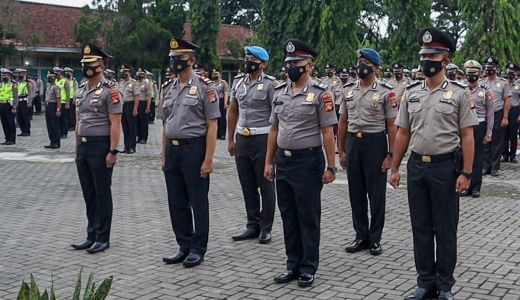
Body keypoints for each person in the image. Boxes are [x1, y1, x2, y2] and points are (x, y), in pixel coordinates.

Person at [389, 27, 477, 300]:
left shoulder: (460, 94)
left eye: (433, 55)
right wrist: (394, 167)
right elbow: (403, 132)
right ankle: (425, 282)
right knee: (421, 228)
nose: (427, 61)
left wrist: (466, 172)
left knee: (445, 228)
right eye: (424, 56)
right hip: (417, 167)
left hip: (445, 168)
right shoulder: (411, 93)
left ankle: (445, 285)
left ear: (446, 61)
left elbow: (467, 136)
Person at [265, 38, 337, 287]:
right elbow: (274, 130)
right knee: (288, 215)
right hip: (283, 161)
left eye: (297, 62)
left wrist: (331, 165)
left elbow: (328, 131)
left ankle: (308, 267)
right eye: (289, 63)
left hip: (308, 162)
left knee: (307, 216)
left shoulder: (320, 93)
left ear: (309, 64)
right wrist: (268, 162)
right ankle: (292, 264)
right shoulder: (279, 93)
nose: (292, 66)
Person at [161, 37, 219, 268]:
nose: (175, 63)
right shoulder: (168, 88)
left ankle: (198, 248)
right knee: (176, 201)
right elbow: (166, 124)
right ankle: (183, 244)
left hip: (194, 149)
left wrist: (208, 159)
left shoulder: (206, 87)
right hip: (173, 150)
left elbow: (212, 125)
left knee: (197, 200)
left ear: (191, 61)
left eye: (180, 59)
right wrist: (163, 154)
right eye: (173, 59)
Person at [338, 48, 398, 256]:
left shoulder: (385, 91)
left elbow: (392, 126)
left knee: (376, 194)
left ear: (375, 67)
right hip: (354, 142)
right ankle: (360, 236)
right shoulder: (348, 90)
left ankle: (375, 238)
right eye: (359, 61)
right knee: (356, 192)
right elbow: (343, 121)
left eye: (366, 62)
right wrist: (341, 150)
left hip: (375, 143)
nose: (361, 65)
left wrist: (391, 155)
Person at [71, 43, 123, 254]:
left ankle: (103, 237)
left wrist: (112, 151)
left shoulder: (110, 91)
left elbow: (115, 124)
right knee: (89, 194)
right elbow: (78, 120)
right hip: (83, 146)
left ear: (101, 65)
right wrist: (76, 148)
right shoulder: (81, 89)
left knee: (102, 193)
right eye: (84, 63)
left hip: (101, 146)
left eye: (90, 63)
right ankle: (91, 234)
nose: (86, 67)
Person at [227, 45, 276, 244]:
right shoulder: (238, 82)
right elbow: (232, 111)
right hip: (243, 138)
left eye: (252, 59)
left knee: (265, 184)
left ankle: (266, 227)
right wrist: (230, 139)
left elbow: (276, 117)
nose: (248, 62)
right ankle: (252, 224)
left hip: (262, 138)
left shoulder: (271, 84)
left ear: (262, 64)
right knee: (247, 184)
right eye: (246, 58)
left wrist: (275, 147)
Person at [463, 60, 493, 198]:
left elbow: (490, 113)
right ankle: (465, 186)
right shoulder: (462, 90)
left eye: (474, 73)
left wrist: (489, 133)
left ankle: (476, 187)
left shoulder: (485, 92)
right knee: (464, 156)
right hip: (464, 126)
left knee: (477, 157)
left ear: (480, 74)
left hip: (479, 125)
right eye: (469, 73)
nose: (471, 76)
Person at [482, 57, 511, 176]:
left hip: (497, 113)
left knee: (497, 141)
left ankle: (494, 167)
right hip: (484, 115)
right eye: (488, 67)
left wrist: (505, 117)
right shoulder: (481, 83)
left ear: (496, 68)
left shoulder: (502, 83)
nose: (489, 69)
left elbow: (507, 101)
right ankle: (485, 167)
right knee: (485, 140)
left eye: (492, 67)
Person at [118, 64, 139, 154]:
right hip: (122, 105)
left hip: (130, 105)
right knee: (125, 127)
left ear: (129, 72)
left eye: (125, 72)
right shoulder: (121, 82)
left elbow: (136, 96)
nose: (124, 73)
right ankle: (126, 146)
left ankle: (132, 147)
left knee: (132, 127)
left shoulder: (133, 83)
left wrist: (135, 108)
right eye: (123, 72)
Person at [502, 63, 520, 163]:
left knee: (513, 135)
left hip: (514, 111)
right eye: (509, 72)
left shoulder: (518, 85)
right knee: (504, 134)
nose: (510, 74)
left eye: (512, 72)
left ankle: (512, 156)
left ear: (516, 73)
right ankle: (504, 155)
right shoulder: (502, 84)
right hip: (504, 110)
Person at [43, 71, 61, 149]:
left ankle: (56, 143)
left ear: (55, 78)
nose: (50, 78)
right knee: (49, 125)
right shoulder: (48, 86)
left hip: (53, 106)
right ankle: (52, 142)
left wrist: (58, 109)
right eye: (49, 77)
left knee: (55, 125)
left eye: (52, 77)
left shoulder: (56, 87)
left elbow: (58, 99)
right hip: (48, 106)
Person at [0, 68, 18, 145]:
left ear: (9, 75)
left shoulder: (13, 84)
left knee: (10, 122)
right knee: (4, 123)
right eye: (2, 74)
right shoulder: (1, 84)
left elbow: (16, 96)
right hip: (1, 104)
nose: (3, 76)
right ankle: (7, 138)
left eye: (4, 75)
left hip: (9, 105)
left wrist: (14, 107)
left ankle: (12, 139)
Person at [14, 68, 34, 137]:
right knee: (19, 117)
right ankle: (22, 131)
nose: (18, 75)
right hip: (18, 101)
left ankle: (27, 131)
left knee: (25, 117)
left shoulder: (28, 83)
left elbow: (31, 93)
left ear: (24, 74)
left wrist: (29, 101)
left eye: (20, 73)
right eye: (18, 73)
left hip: (25, 101)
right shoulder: (17, 83)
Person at [211, 67, 229, 140]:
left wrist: (225, 103)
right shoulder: (211, 83)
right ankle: (217, 134)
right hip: (214, 101)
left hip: (221, 101)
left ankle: (222, 134)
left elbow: (226, 93)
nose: (214, 75)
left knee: (222, 119)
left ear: (220, 74)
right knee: (216, 118)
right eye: (213, 74)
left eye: (216, 73)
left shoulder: (223, 83)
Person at [135, 68, 152, 144]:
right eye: (138, 74)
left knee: (144, 122)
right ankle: (138, 136)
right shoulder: (135, 83)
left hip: (143, 103)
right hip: (136, 104)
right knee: (137, 122)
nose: (140, 76)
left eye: (141, 74)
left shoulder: (147, 83)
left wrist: (148, 106)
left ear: (144, 75)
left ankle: (144, 138)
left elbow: (149, 95)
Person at [54, 67, 70, 139]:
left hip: (63, 102)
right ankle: (59, 132)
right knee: (57, 119)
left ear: (59, 73)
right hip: (56, 102)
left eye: (56, 74)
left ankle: (64, 133)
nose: (55, 75)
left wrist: (67, 103)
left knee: (63, 119)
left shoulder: (65, 81)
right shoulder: (55, 81)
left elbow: (68, 93)